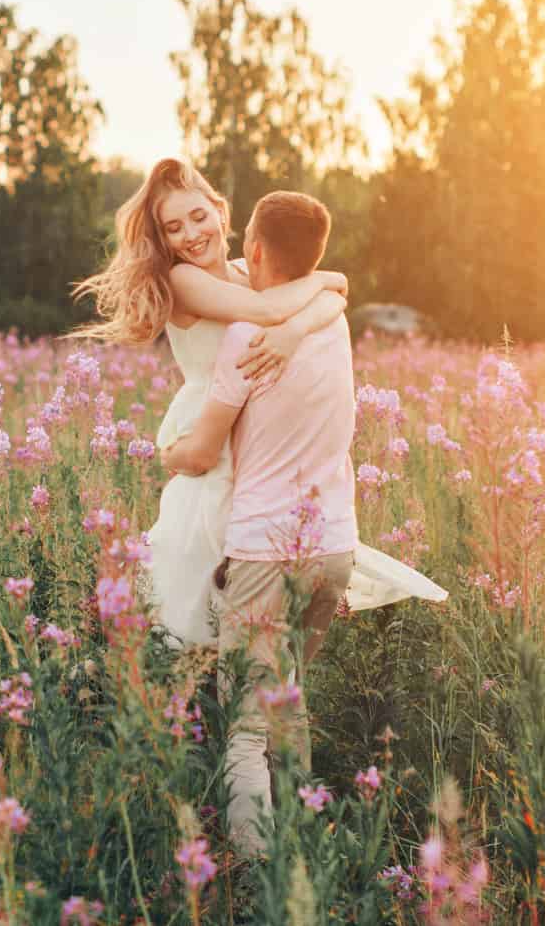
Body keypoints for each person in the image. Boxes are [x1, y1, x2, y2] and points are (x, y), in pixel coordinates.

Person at [161, 190, 444, 856]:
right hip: (334, 551)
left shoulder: (243, 337)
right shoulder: (330, 323)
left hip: (267, 554)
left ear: (254, 249)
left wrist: (163, 452)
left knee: (246, 730)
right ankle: (301, 847)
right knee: (286, 701)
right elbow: (330, 293)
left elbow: (202, 452)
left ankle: (261, 872)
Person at [72, 158, 444, 651]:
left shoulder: (251, 270)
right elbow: (291, 302)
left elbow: (334, 300)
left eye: (198, 216)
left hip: (259, 429)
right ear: (162, 240)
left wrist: (297, 325)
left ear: (221, 212)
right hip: (215, 432)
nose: (191, 234)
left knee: (264, 594)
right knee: (210, 605)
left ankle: (249, 707)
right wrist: (315, 292)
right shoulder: (185, 282)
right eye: (173, 227)